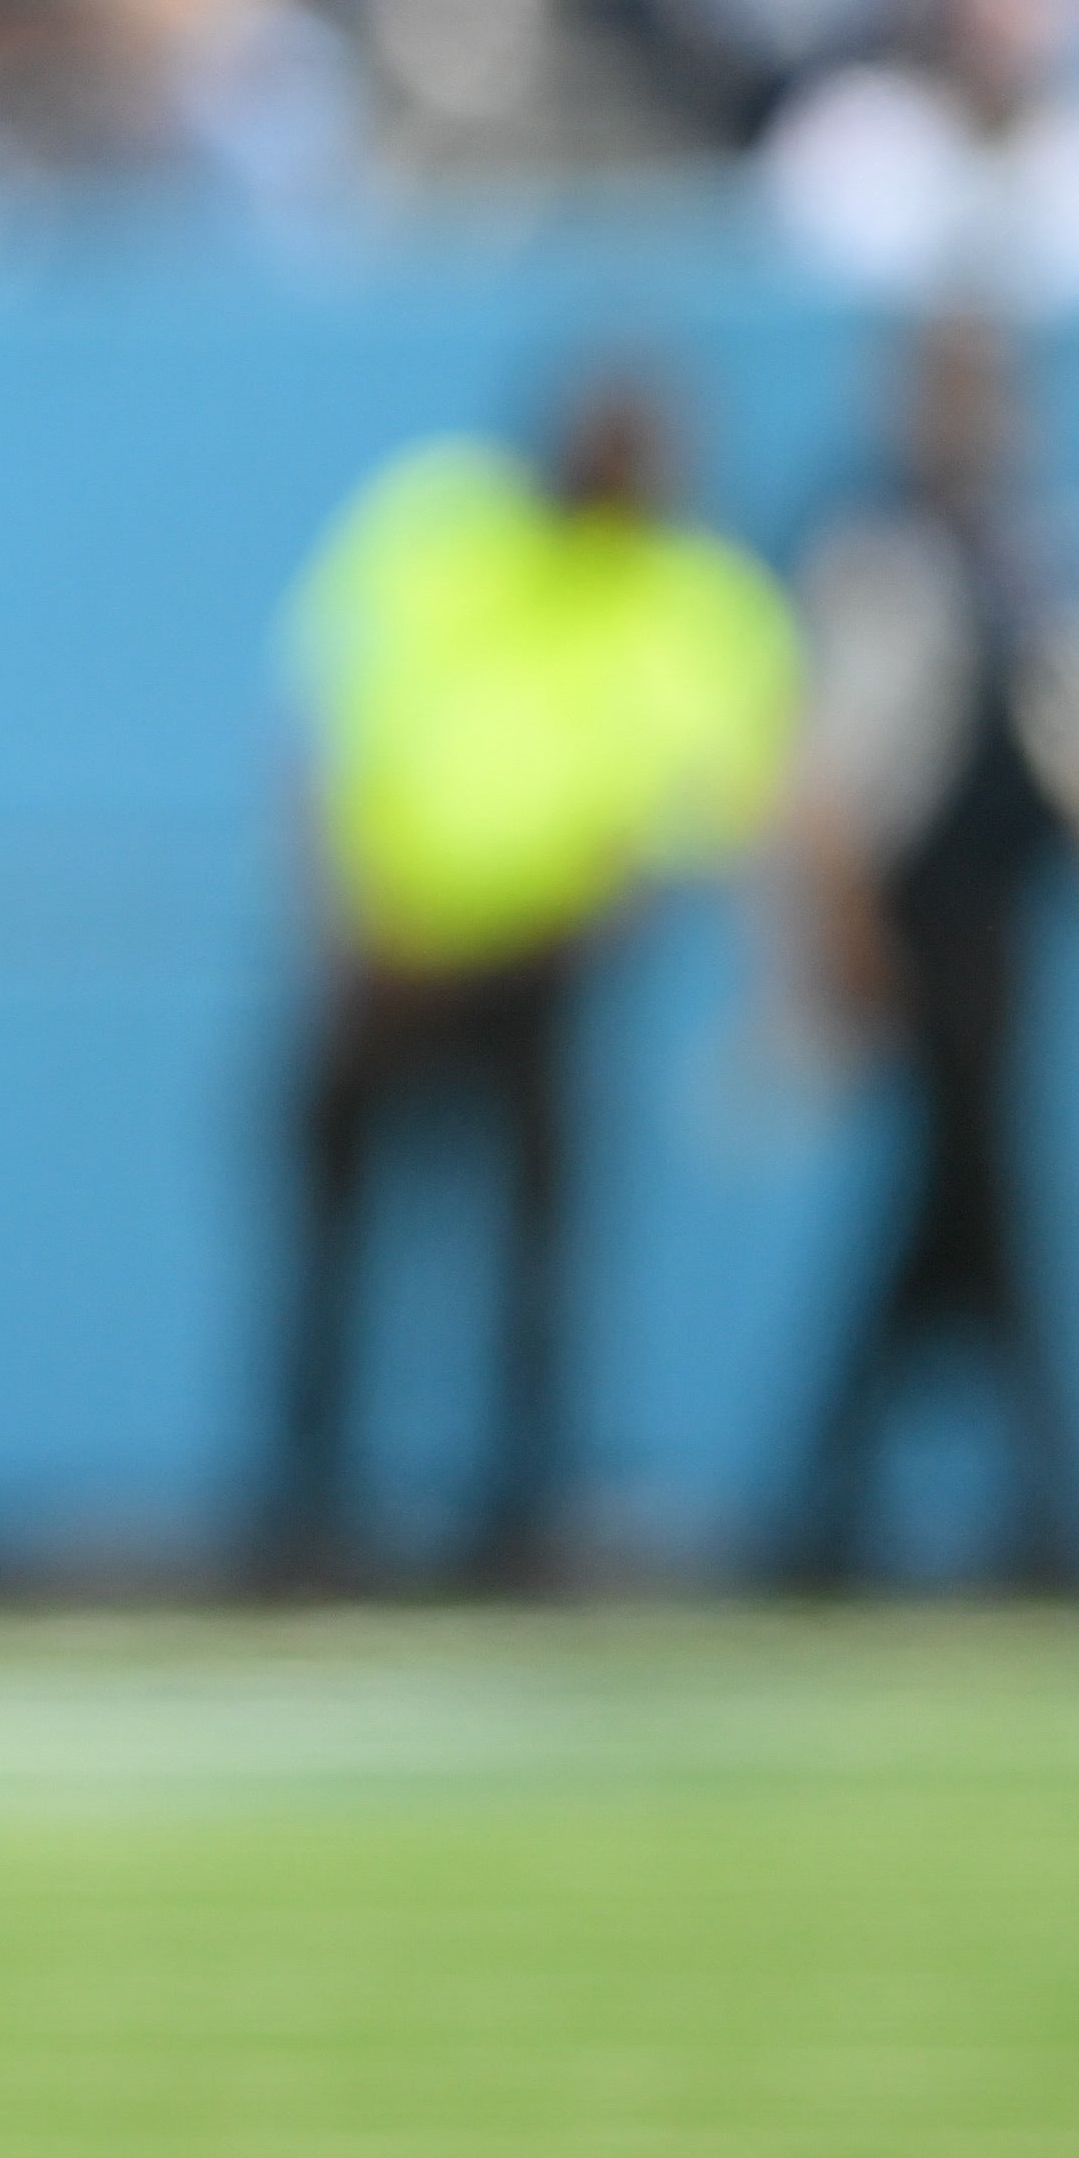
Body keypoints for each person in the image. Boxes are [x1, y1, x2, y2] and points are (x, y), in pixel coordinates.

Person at [256, 365, 799, 1588]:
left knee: (538, 1249)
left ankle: (520, 1511)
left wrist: (570, 918)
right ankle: (301, 1511)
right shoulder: (438, 522)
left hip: (539, 971)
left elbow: (702, 811)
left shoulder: (690, 593)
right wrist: (347, 918)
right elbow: (316, 719)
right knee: (331, 1235)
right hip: (380, 954)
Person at [759, 313, 1079, 1589]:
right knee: (975, 1206)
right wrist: (837, 935)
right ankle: (1023, 1508)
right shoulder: (863, 541)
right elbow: (821, 773)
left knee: (962, 1208)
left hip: (1005, 922)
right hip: (920, 923)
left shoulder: (1041, 546)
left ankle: (862, 1510)